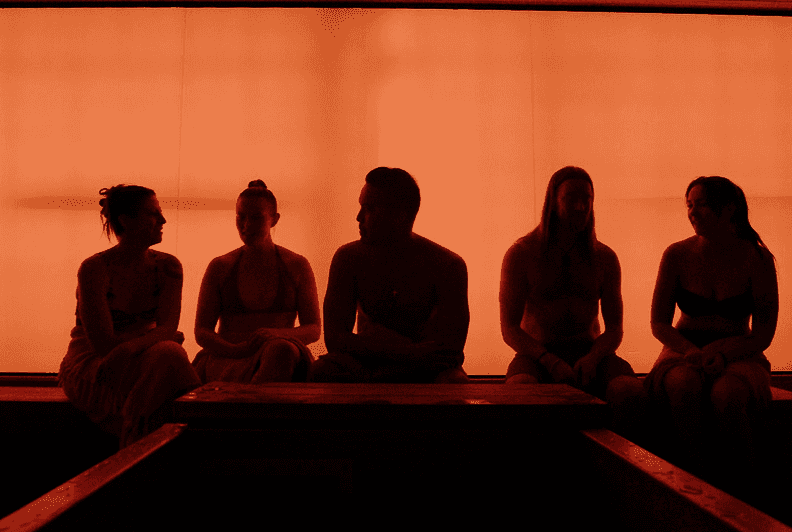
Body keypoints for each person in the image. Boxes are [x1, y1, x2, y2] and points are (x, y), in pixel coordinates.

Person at [614, 175, 778, 491]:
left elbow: (763, 333)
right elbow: (659, 323)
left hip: (739, 349)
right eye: (689, 205)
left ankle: (742, 491)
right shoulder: (676, 254)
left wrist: (724, 353)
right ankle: (692, 487)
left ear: (729, 209)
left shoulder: (756, 259)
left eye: (701, 205)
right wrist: (690, 351)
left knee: (728, 396)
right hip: (683, 347)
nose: (692, 212)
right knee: (682, 386)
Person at [58, 184, 199, 448]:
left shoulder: (168, 266)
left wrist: (135, 344)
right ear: (126, 220)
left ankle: (132, 431)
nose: (163, 220)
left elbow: (168, 329)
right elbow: (104, 345)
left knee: (169, 354)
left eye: (160, 212)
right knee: (169, 356)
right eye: (152, 214)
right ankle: (204, 437)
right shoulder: (94, 269)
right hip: (95, 362)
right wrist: (150, 336)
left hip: (144, 355)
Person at [310, 167, 469, 383]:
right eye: (361, 207)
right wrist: (409, 351)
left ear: (400, 215)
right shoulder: (348, 258)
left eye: (369, 209)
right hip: (376, 364)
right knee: (321, 371)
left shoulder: (447, 265)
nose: (358, 217)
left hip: (418, 369)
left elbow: (451, 349)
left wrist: (381, 347)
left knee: (453, 380)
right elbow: (335, 339)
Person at [499, 165, 635, 397]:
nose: (581, 207)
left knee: (629, 391)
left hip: (591, 351)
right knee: (521, 389)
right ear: (553, 201)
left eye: (587, 199)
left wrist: (593, 358)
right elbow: (509, 328)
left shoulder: (604, 258)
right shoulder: (521, 254)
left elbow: (614, 329)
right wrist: (549, 361)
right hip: (536, 354)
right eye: (571, 198)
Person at [193, 180, 321, 383]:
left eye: (256, 218)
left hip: (279, 354)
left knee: (281, 350)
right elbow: (201, 332)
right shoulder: (220, 267)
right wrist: (236, 350)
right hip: (227, 357)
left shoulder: (296, 265)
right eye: (240, 217)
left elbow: (314, 328)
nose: (246, 226)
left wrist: (276, 335)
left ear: (274, 219)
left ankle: (252, 408)